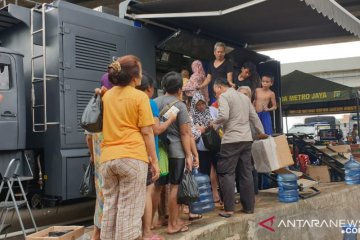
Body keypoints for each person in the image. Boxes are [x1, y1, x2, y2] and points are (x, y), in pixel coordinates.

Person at [99, 55, 160, 240]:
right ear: (134, 76)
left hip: (108, 159)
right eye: (140, 70)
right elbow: (148, 132)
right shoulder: (140, 96)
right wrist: (154, 161)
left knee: (110, 209)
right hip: (132, 157)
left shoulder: (107, 96)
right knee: (130, 211)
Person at [212, 78, 265, 218]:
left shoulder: (224, 96)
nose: (215, 94)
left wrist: (214, 124)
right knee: (246, 173)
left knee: (227, 173)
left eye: (215, 91)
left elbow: (223, 116)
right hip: (246, 139)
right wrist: (261, 131)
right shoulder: (244, 97)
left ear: (219, 87)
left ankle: (229, 209)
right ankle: (249, 207)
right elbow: (254, 117)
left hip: (231, 141)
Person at [136, 72, 177, 240]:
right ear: (150, 88)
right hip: (147, 151)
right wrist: (170, 119)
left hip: (133, 151)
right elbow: (155, 130)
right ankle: (148, 228)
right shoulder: (149, 103)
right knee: (149, 190)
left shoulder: (130, 100)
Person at [154, 71, 195, 234]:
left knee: (157, 187)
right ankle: (173, 224)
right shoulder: (180, 105)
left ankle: (157, 219)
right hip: (176, 151)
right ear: (180, 89)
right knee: (174, 188)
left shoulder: (155, 102)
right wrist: (189, 155)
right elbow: (185, 133)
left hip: (161, 151)